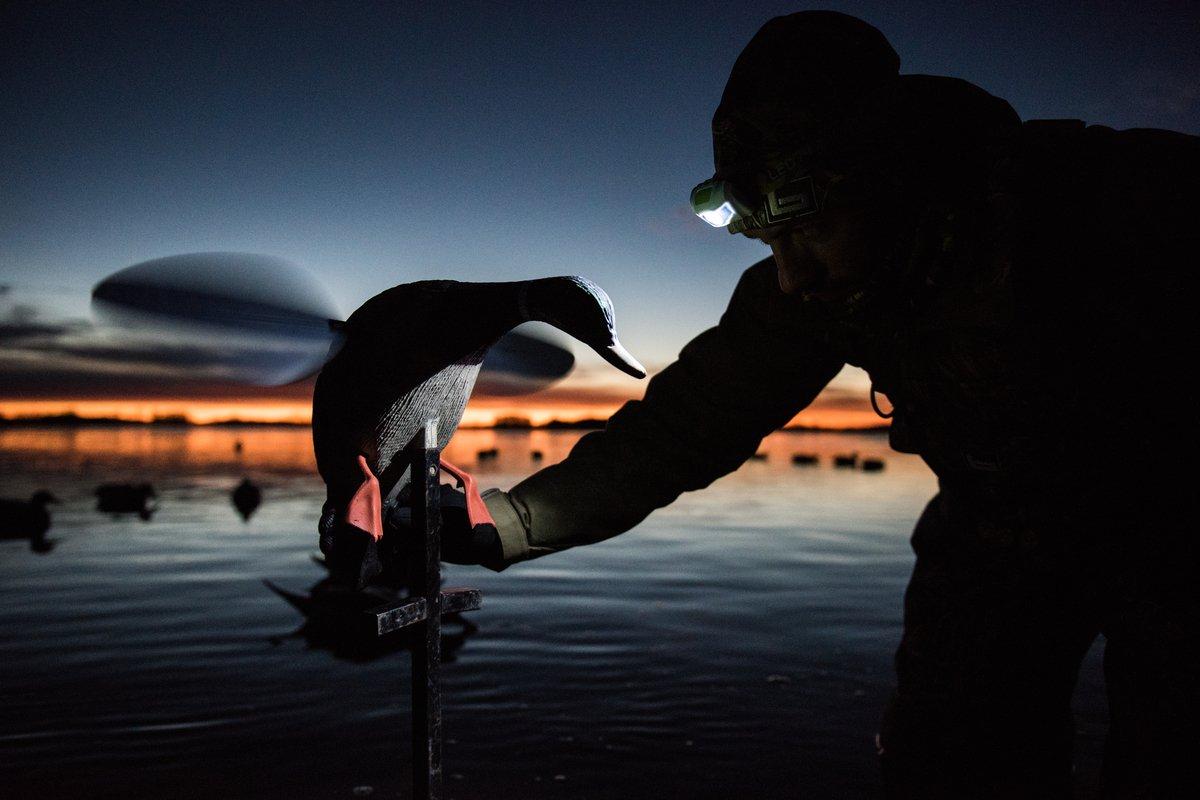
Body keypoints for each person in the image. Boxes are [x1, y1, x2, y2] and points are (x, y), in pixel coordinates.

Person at [376, 11, 1199, 798]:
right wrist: (510, 520)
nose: (793, 274)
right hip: (998, 526)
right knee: (948, 755)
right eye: (771, 243)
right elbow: (685, 427)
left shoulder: (1126, 202)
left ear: (892, 180)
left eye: (808, 231)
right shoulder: (812, 296)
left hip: (1177, 526)